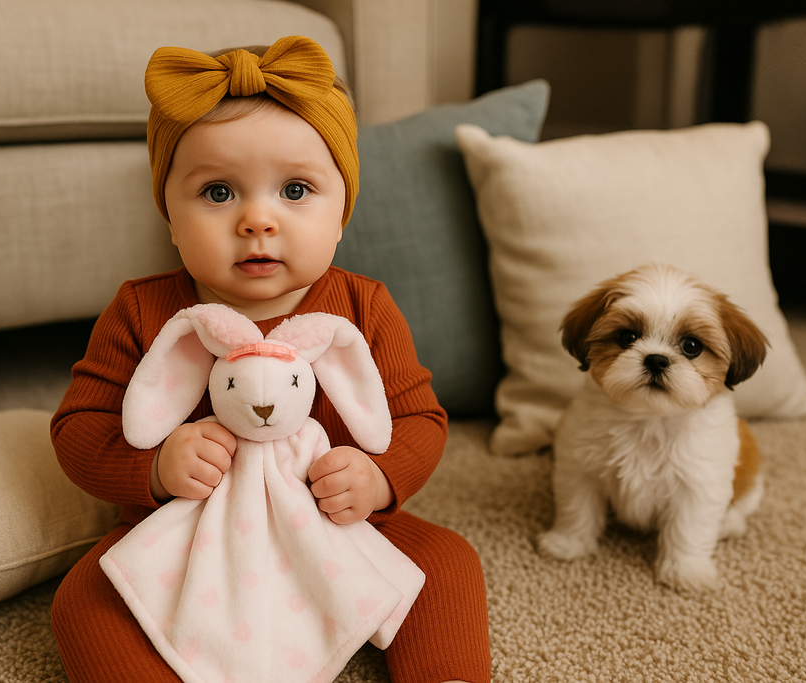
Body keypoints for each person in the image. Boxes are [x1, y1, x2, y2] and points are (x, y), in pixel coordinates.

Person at [49, 35, 491, 683]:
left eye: (295, 189)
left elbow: (418, 417)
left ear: (342, 212)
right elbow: (78, 425)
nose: (258, 218)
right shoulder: (144, 310)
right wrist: (153, 466)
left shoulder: (361, 306)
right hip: (186, 527)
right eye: (219, 193)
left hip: (332, 520)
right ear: (169, 214)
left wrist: (376, 477)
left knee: (446, 561)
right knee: (85, 599)